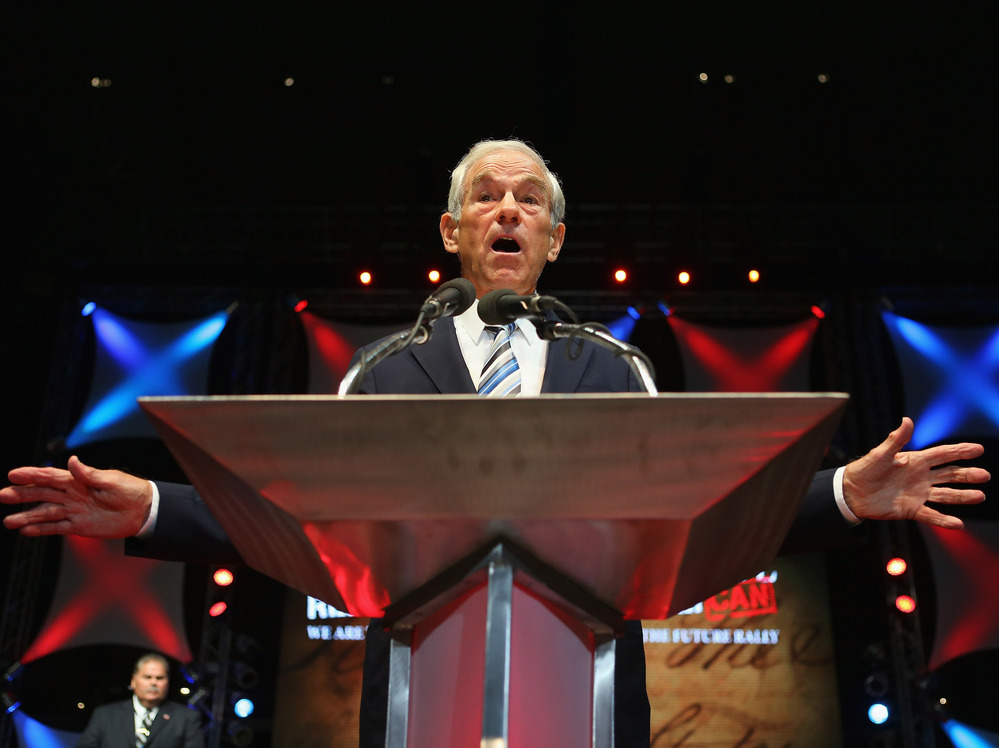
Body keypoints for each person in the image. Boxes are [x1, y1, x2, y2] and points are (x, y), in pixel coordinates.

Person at [2, 140, 990, 748]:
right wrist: (153, 507)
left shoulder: (614, 371)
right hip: (416, 709)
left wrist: (845, 497)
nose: (507, 209)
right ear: (452, 228)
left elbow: (704, 525)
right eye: (486, 195)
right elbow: (301, 526)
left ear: (556, 238)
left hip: (594, 712)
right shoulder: (384, 375)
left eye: (528, 199)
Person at [76, 652, 204, 748]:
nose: (153, 683)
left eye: (159, 678)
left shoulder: (186, 718)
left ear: (167, 683)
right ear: (133, 681)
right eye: (147, 677)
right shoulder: (105, 715)